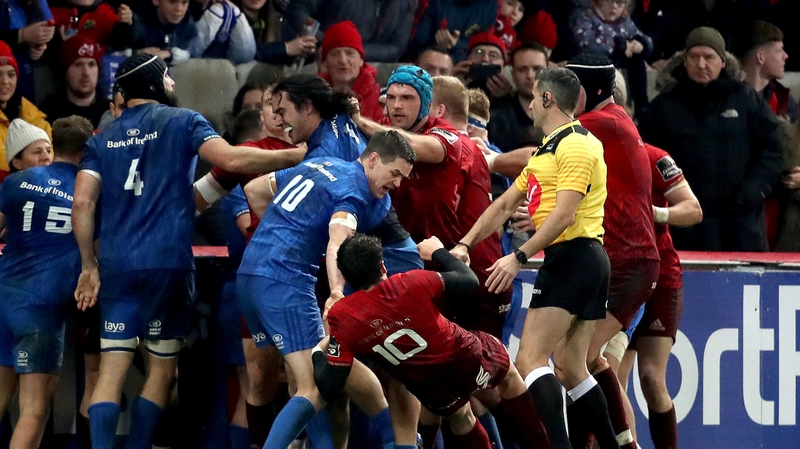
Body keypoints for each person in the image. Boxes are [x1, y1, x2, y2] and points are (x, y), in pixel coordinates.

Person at [71, 53, 305, 449]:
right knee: (162, 373)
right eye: (167, 78)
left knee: (110, 372)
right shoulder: (183, 121)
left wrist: (88, 266)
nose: (173, 86)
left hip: (117, 266)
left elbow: (82, 204)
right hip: (169, 264)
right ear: (153, 84)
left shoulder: (101, 139)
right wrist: (297, 155)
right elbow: (230, 158)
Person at [451, 67, 619, 449]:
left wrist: (519, 257)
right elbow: (506, 203)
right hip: (584, 259)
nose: (528, 104)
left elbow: (565, 215)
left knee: (529, 360)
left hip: (574, 257)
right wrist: (464, 243)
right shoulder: (550, 146)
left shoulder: (575, 144)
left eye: (532, 96)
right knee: (572, 369)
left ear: (547, 99)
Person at [236, 131, 416, 449]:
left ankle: (397, 441)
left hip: (250, 275)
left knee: (327, 370)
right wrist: (336, 292)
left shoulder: (320, 163)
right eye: (395, 174)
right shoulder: (356, 192)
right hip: (286, 281)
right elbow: (338, 240)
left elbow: (255, 189)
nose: (398, 184)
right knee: (313, 387)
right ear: (373, 160)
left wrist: (289, 230)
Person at [317, 234, 547, 449]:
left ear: (346, 278)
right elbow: (469, 280)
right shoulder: (408, 283)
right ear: (383, 266)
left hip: (428, 385)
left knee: (460, 417)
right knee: (508, 376)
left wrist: (318, 352)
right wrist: (438, 252)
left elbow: (331, 384)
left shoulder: (343, 316)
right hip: (465, 354)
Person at [565, 53, 659, 449]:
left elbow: (544, 154)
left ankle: (621, 444)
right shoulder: (615, 121)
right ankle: (619, 442)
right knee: (584, 359)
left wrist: (489, 158)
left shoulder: (598, 124)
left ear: (587, 91)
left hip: (626, 260)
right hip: (616, 259)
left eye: (569, 90)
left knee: (578, 359)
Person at [638, 26, 784, 252]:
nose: (701, 64)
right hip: (684, 229)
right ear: (684, 61)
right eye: (694, 57)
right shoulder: (663, 108)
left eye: (709, 57)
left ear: (723, 61)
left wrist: (753, 191)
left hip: (741, 228)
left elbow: (772, 152)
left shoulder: (746, 101)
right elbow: (644, 159)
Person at [0, 115, 92, 449]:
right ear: (87, 150)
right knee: (35, 410)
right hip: (42, 306)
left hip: (5, 295)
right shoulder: (87, 190)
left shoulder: (13, 183)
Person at [615, 143, 702, 449]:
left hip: (662, 278)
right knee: (611, 378)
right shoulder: (588, 155)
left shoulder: (655, 158)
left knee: (652, 378)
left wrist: (654, 212)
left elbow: (693, 209)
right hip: (623, 280)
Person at [350, 65, 463, 249]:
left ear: (427, 104)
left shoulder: (447, 135)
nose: (397, 105)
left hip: (436, 251)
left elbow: (410, 144)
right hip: (388, 248)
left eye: (407, 98)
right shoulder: (378, 127)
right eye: (391, 97)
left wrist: (360, 121)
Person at [570, 0, 653, 114]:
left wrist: (640, 44)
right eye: (610, 1)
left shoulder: (624, 21)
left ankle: (642, 106)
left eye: (619, 3)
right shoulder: (586, 16)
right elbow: (586, 43)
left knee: (637, 61)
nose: (614, 6)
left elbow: (645, 40)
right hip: (595, 63)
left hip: (621, 63)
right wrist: (618, 45)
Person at [280, 0, 415, 62]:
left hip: (370, 73)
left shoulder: (405, 3)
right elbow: (298, 11)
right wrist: (323, 39)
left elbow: (396, 46)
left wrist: (354, 52)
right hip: (317, 64)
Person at [0, 42, 51, 180]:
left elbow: (55, 151)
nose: (5, 81)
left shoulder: (30, 113)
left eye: (11, 75)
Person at [487, 42, 548, 154]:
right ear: (513, 74)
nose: (530, 75)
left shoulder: (564, 113)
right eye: (522, 69)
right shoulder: (495, 116)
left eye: (537, 69)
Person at [318, 21, 383, 122]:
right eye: (334, 54)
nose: (343, 61)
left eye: (350, 53)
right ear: (325, 62)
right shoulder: (314, 97)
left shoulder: (380, 99)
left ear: (361, 60)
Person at [40, 36, 108, 128]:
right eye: (78, 65)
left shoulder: (113, 112)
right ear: (65, 71)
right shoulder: (45, 115)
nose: (86, 73)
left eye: (91, 64)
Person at [738, 20, 797, 123]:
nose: (786, 56)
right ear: (760, 57)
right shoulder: (726, 98)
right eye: (780, 50)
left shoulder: (784, 100)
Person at [131, 0, 197, 65]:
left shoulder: (187, 23)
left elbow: (188, 51)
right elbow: (123, 53)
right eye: (172, 1)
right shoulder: (137, 23)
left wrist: (168, 54)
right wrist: (136, 54)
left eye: (184, 2)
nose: (178, 9)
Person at [189, 0, 256, 63]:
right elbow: (190, 51)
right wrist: (216, 12)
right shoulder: (188, 7)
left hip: (227, 62)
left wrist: (236, 13)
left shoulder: (230, 9)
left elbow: (245, 57)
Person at [453, 31, 512, 99]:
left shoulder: (512, 95)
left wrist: (506, 97)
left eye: (493, 55)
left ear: (503, 64)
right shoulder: (456, 81)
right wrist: (452, 87)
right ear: (468, 58)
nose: (485, 59)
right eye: (479, 52)